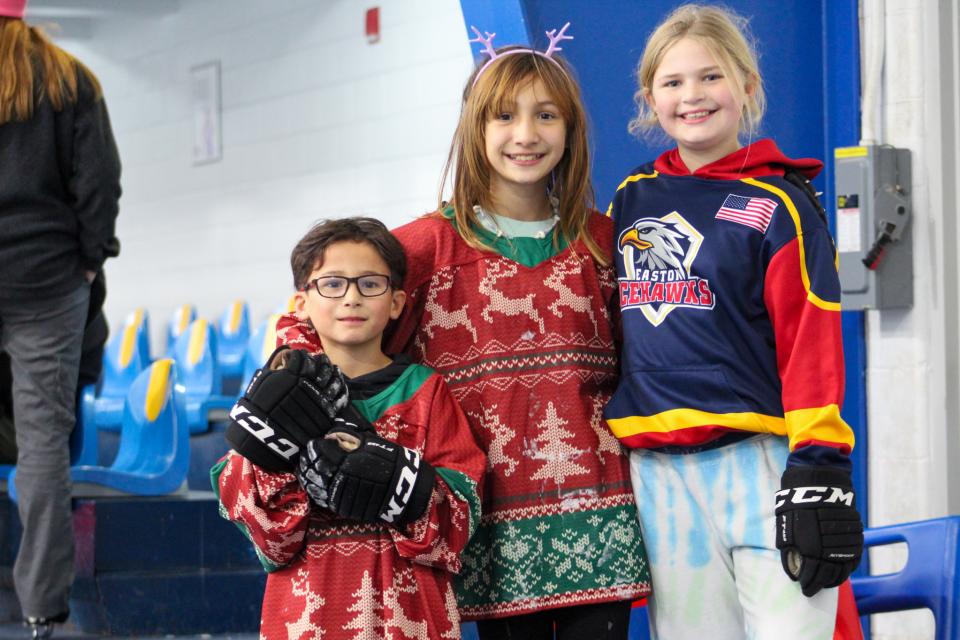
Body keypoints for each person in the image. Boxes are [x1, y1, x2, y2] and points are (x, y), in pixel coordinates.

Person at [308, 24, 649, 640]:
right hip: (485, 527)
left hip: (601, 522)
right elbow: (323, 317)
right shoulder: (422, 247)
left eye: (545, 115)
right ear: (474, 130)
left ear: (570, 129)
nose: (525, 135)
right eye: (503, 117)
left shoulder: (605, 243)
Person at [603, 5, 864, 639]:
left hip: (761, 463)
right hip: (659, 474)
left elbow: (811, 340)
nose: (692, 96)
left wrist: (819, 463)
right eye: (672, 83)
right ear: (649, 99)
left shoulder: (779, 205)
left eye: (711, 77)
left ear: (747, 86)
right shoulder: (629, 199)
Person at [214, 217, 486, 639]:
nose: (352, 298)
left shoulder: (427, 392)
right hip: (307, 619)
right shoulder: (272, 395)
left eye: (370, 284)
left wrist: (402, 486)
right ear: (301, 303)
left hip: (409, 617)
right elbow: (269, 542)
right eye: (333, 284)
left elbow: (459, 527)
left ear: (396, 302)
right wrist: (274, 459)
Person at [0, 0, 121, 637]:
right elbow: (100, 180)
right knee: (43, 447)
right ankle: (42, 608)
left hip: (43, 279)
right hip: (47, 281)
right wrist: (89, 257)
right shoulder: (68, 76)